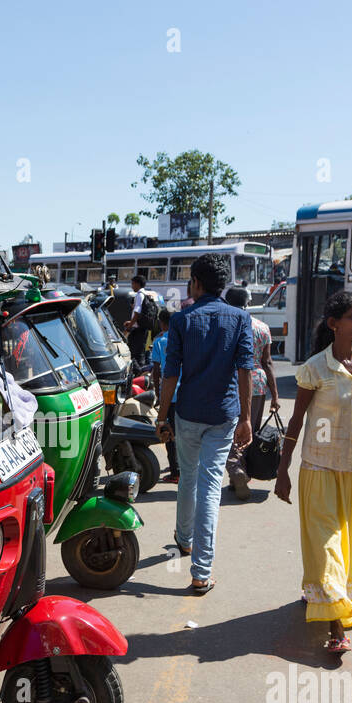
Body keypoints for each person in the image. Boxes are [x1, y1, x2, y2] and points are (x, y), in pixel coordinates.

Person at [274, 291, 352, 654]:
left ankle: (322, 595)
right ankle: (336, 625)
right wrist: (283, 470)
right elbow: (296, 421)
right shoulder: (314, 368)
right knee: (327, 547)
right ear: (333, 324)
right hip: (320, 468)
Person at [155, 253, 254, 593]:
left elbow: (171, 374)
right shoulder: (240, 318)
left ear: (196, 282)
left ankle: (184, 540)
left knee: (188, 478)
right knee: (210, 487)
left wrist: (162, 413)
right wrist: (246, 418)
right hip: (223, 415)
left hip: (188, 413)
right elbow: (246, 370)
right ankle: (201, 572)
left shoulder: (182, 320)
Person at [225, 313, 281, 499]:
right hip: (257, 382)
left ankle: (236, 470)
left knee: (229, 430)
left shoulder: (229, 324)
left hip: (233, 382)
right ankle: (240, 475)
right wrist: (275, 395)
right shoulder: (263, 327)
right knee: (250, 430)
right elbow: (267, 361)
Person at [148, 311, 180, 483]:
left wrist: (159, 395)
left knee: (168, 433)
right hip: (185, 393)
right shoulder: (182, 339)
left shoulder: (159, 341)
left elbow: (156, 371)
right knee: (183, 433)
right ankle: (182, 467)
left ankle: (176, 472)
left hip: (169, 394)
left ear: (161, 323)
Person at [126, 275, 158, 368]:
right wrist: (131, 322)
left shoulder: (139, 295)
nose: (132, 286)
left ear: (137, 284)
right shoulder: (146, 294)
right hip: (143, 328)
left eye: (132, 284)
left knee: (134, 353)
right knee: (140, 352)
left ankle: (139, 373)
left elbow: (137, 312)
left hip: (138, 330)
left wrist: (129, 326)